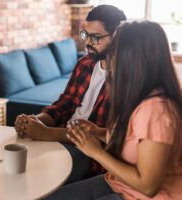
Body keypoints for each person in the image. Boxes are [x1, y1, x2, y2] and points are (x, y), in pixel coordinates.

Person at [46, 20, 182, 200]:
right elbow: (134, 140)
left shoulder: (156, 110)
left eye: (115, 51)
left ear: (133, 59)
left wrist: (95, 151)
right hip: (118, 184)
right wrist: (99, 132)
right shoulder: (140, 94)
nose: (111, 58)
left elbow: (149, 186)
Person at [15, 5, 126, 183]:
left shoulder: (126, 79)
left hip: (89, 154)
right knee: (15, 157)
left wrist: (47, 134)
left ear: (117, 37)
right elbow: (64, 104)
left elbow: (107, 136)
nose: (88, 42)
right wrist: (36, 120)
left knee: (34, 173)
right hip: (60, 136)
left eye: (95, 37)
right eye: (86, 35)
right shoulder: (85, 64)